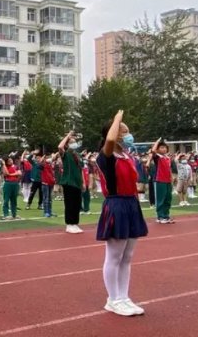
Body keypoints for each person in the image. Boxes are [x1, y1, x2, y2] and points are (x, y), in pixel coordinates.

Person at [96, 110, 148, 317]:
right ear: (114, 132)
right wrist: (117, 117)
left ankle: (124, 297)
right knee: (114, 256)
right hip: (116, 204)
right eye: (123, 130)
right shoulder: (105, 155)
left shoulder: (126, 155)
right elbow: (109, 139)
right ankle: (113, 299)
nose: (128, 134)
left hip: (131, 204)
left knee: (128, 256)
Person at [58, 131, 84, 234]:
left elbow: (80, 169)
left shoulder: (77, 155)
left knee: (77, 204)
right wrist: (68, 135)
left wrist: (83, 183)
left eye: (75, 142)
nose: (74, 143)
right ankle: (69, 224)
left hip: (77, 183)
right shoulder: (66, 154)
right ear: (67, 144)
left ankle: (75, 223)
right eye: (72, 142)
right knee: (70, 203)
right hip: (68, 182)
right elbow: (60, 147)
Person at [148, 138, 174, 223]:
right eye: (162, 147)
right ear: (158, 149)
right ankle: (160, 217)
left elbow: (169, 169)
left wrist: (171, 178)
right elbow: (153, 151)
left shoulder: (167, 158)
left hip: (168, 181)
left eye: (165, 147)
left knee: (168, 199)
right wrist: (157, 142)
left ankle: (166, 216)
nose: (164, 149)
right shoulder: (157, 157)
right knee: (161, 199)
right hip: (160, 180)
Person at [1, 156, 21, 220]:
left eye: (11, 160)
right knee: (6, 199)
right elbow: (6, 173)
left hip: (15, 183)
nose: (11, 161)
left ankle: (14, 214)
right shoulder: (4, 167)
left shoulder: (16, 166)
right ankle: (5, 214)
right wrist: (3, 164)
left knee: (14, 200)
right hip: (8, 184)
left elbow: (19, 173)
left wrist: (10, 174)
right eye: (9, 161)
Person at [39, 154, 57, 218]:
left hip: (51, 183)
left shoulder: (51, 165)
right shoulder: (44, 165)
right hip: (45, 183)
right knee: (46, 198)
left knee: (49, 199)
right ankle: (46, 212)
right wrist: (43, 157)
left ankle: (50, 211)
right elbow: (40, 163)